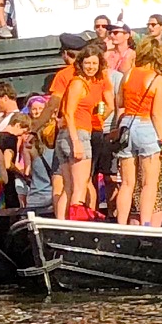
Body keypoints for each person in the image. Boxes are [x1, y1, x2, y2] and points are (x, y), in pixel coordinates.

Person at [111, 34, 162, 225]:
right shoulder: (158, 80)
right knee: (149, 183)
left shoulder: (128, 74)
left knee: (127, 183)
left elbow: (119, 101)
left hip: (127, 125)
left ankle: (121, 223)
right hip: (146, 127)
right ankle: (145, 224)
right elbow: (156, 113)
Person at [57, 41, 113, 216]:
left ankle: (63, 225)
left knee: (69, 187)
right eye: (87, 63)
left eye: (94, 63)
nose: (91, 67)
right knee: (80, 187)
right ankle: (76, 226)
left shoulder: (87, 83)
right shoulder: (78, 83)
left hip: (70, 134)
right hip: (77, 134)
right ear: (80, 63)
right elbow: (68, 112)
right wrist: (76, 142)